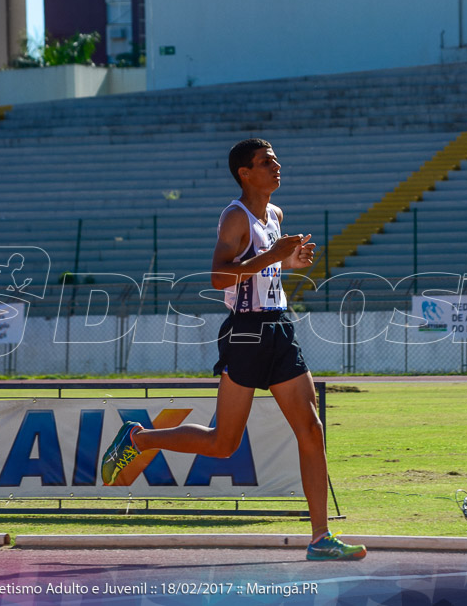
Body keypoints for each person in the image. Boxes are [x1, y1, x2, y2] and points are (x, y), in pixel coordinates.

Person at [101, 138, 367, 561]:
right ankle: (139, 437)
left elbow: (266, 266)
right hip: (245, 332)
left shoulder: (275, 214)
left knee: (311, 429)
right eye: (267, 161)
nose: (277, 166)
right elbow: (218, 278)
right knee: (224, 443)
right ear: (245, 172)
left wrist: (289, 262)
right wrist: (272, 257)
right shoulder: (234, 217)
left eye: (277, 159)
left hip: (279, 326)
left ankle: (320, 538)